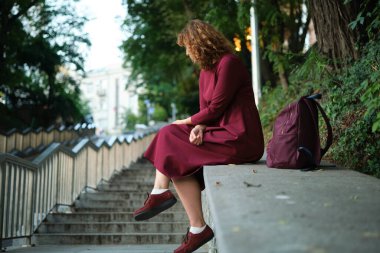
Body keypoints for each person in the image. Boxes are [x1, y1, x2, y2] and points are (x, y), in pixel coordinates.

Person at [133, 19, 264, 253]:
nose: (187, 53)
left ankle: (159, 192)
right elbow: (207, 112)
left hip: (241, 138)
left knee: (169, 133)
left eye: (187, 47)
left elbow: (216, 108)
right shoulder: (205, 73)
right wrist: (199, 127)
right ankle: (197, 229)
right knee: (175, 156)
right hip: (219, 134)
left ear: (200, 43)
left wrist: (185, 122)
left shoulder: (229, 64)